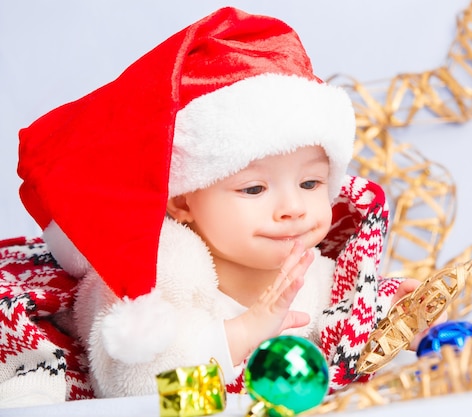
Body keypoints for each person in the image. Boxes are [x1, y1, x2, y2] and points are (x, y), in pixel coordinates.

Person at [3, 6, 441, 404]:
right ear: (182, 202)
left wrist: (391, 324)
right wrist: (244, 332)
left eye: (310, 183)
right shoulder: (151, 276)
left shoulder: (318, 273)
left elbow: (338, 366)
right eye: (254, 189)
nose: (292, 207)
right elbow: (137, 394)